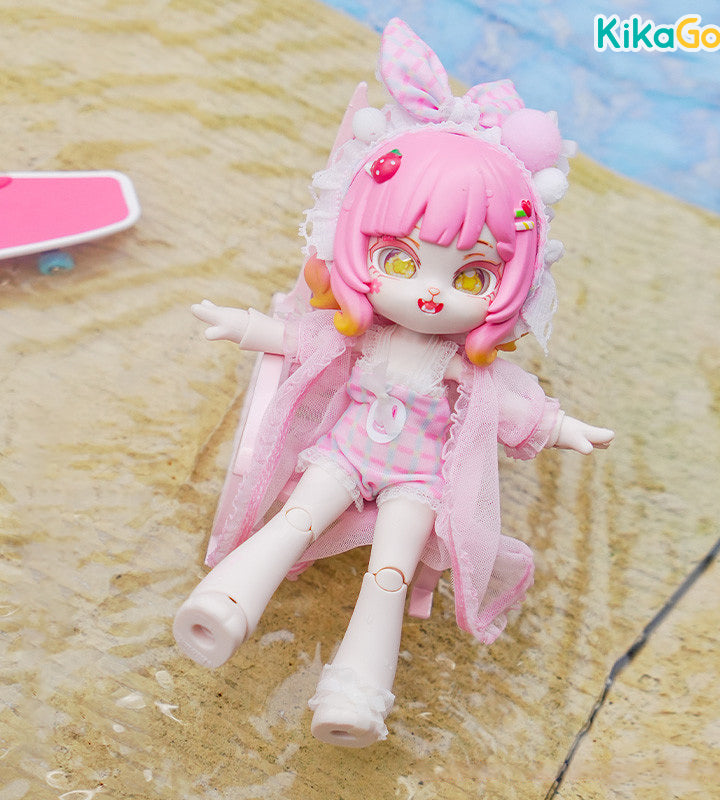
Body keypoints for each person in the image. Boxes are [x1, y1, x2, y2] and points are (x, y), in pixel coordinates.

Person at [174, 18, 613, 748]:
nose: (432, 295)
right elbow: (299, 338)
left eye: (471, 277)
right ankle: (222, 608)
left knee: (389, 570)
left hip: (417, 480)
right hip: (343, 454)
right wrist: (240, 323)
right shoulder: (364, 334)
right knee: (296, 520)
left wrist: (564, 428)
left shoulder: (466, 367)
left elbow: (515, 409)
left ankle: (354, 696)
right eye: (402, 262)